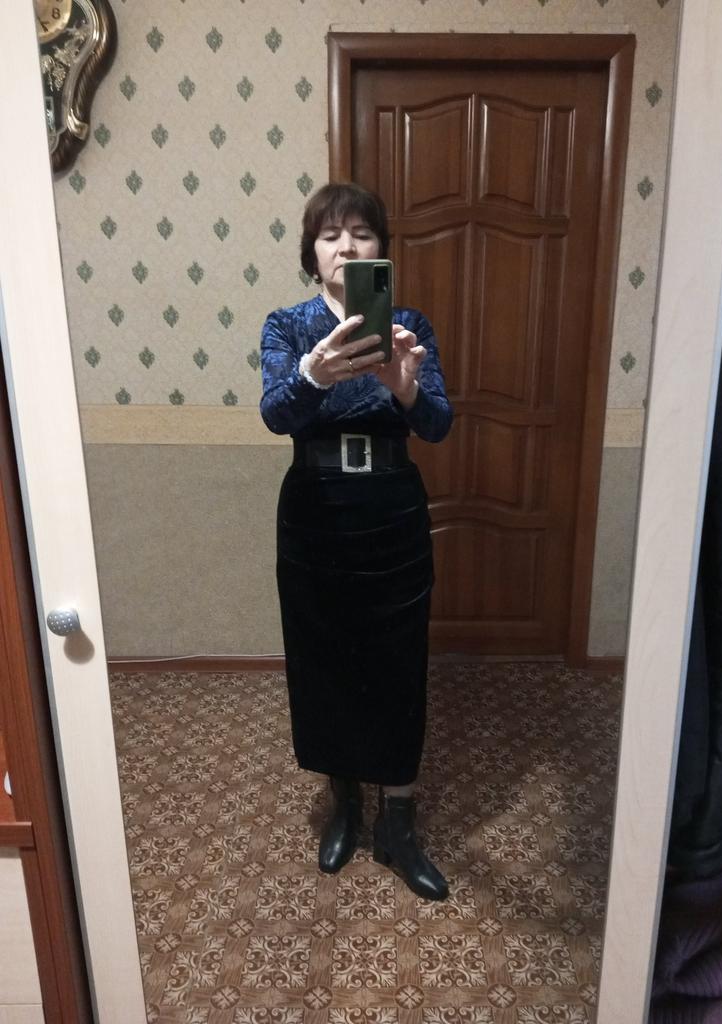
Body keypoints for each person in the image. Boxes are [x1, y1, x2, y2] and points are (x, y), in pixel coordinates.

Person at [260, 182, 453, 901]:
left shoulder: (407, 324)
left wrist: (405, 388)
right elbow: (276, 415)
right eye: (330, 234)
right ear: (311, 252)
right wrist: (313, 374)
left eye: (361, 233)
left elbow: (438, 425)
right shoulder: (287, 327)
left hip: (392, 511)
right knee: (324, 658)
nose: (346, 245)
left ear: (381, 248)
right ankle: (344, 802)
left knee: (399, 661)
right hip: (314, 512)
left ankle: (398, 820)